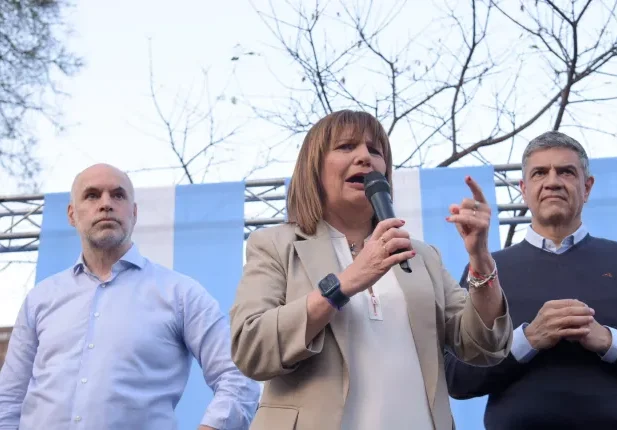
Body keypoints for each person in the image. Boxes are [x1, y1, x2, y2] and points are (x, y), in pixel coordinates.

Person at [228, 110, 513, 430]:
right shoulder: (276, 245)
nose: (365, 157)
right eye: (347, 147)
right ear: (314, 168)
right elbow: (251, 346)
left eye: (375, 151)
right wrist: (344, 284)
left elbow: (485, 347)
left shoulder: (422, 256)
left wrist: (480, 259)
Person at [444, 131, 617, 429]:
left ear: (587, 187)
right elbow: (457, 378)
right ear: (523, 189)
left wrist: (609, 341)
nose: (552, 181)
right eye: (540, 173)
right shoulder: (488, 271)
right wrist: (528, 340)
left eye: (566, 171)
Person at [0, 164, 261, 430]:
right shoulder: (40, 299)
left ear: (134, 213)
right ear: (71, 214)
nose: (106, 204)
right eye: (92, 195)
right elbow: (9, 398)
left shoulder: (180, 294)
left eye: (118, 195)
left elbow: (239, 376)